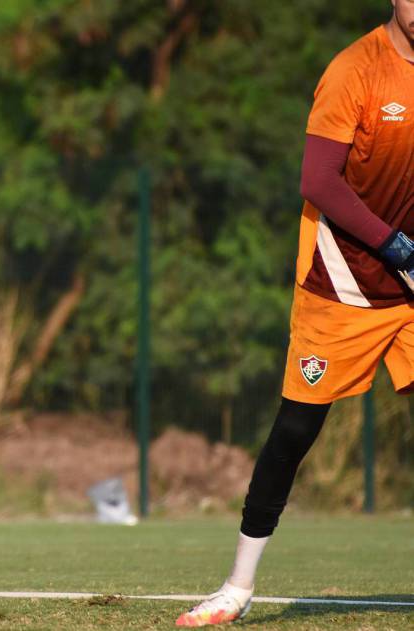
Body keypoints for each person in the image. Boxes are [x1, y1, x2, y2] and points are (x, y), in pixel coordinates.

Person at [176, 2, 414, 626]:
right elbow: (319, 180)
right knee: (295, 433)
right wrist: (395, 245)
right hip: (342, 288)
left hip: (413, 296)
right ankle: (237, 586)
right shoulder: (355, 69)